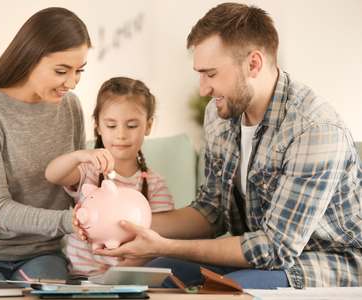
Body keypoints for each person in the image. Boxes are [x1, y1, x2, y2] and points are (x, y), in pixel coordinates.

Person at [92, 2, 362, 289]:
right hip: (255, 256)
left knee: (228, 290)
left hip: (325, 261)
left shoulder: (314, 130)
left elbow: (274, 249)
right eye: (200, 74)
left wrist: (164, 246)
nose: (203, 89)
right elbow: (211, 210)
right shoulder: (219, 115)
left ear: (253, 64)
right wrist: (118, 221)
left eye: (211, 74)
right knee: (157, 278)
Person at [0, 7, 91, 282]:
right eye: (62, 70)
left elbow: (75, 187)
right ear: (29, 58)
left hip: (42, 253)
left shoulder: (70, 107)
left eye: (79, 70)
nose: (71, 83)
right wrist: (68, 221)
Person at [45, 76, 174, 278]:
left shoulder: (155, 183)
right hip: (79, 276)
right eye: (111, 126)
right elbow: (52, 174)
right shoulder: (88, 171)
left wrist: (121, 270)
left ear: (148, 126)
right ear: (98, 125)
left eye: (131, 126)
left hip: (126, 277)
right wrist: (80, 155)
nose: (121, 134)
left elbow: (157, 240)